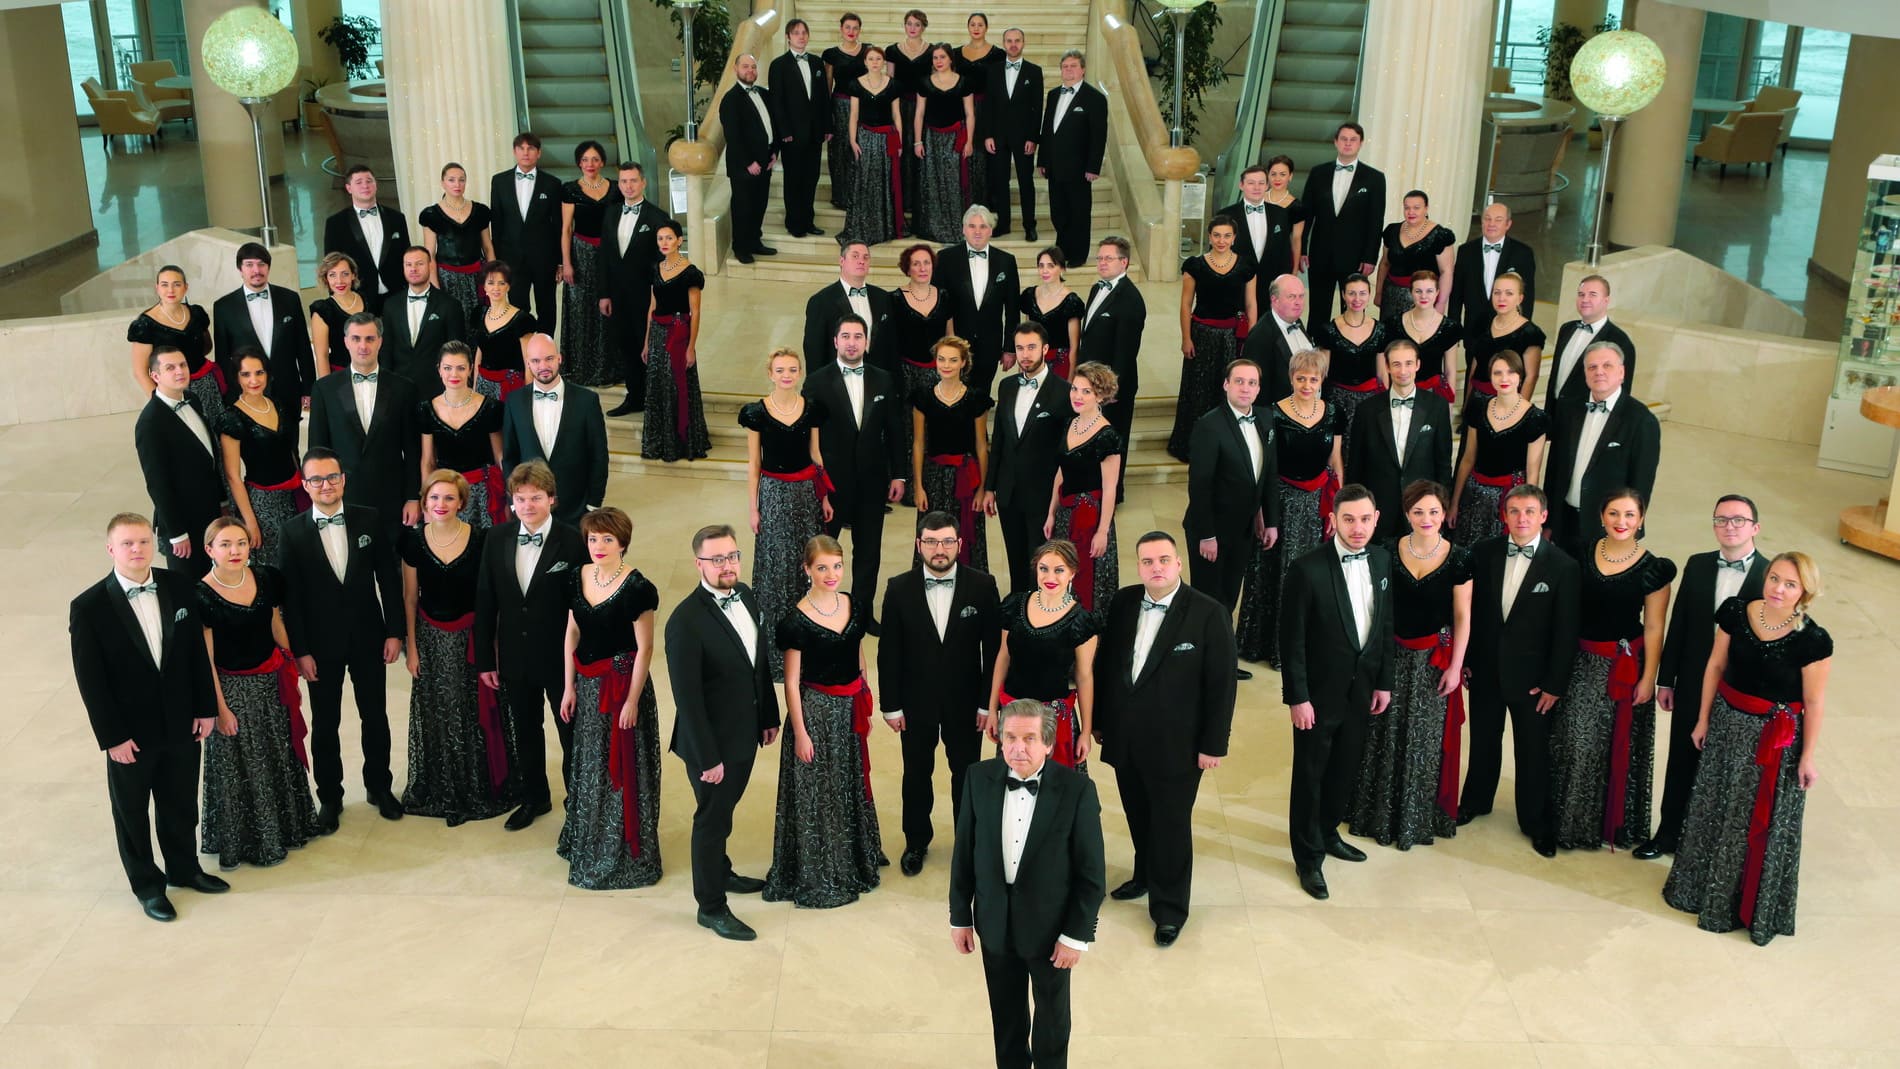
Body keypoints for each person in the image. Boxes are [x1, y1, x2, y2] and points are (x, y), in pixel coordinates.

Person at [1662, 552, 1831, 947]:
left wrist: (1807, 756)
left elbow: (1814, 702)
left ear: (1804, 592)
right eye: (1774, 578)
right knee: (1711, 808)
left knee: (1746, 820)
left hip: (1771, 743)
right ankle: (1696, 890)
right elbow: (1715, 666)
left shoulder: (1813, 641)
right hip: (1725, 727)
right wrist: (1703, 719)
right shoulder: (1736, 612)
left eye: (1790, 584)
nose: (1778, 589)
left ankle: (1736, 905)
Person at [70, 512, 226, 922]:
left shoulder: (178, 586)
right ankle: (148, 887)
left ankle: (185, 869)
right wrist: (112, 737)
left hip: (181, 721)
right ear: (111, 549)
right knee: (132, 812)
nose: (137, 549)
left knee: (180, 801)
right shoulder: (88, 607)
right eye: (127, 543)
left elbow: (195, 653)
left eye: (142, 541)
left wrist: (205, 708)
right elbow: (91, 682)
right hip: (130, 734)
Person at [1094, 532, 1236, 943]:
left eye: (1163, 560)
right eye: (1147, 561)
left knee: (1171, 825)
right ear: (1139, 566)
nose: (1156, 567)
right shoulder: (1123, 602)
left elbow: (1221, 685)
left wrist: (1213, 744)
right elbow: (1107, 665)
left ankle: (1170, 909)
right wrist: (1100, 721)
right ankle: (1144, 874)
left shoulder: (1209, 613)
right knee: (1138, 813)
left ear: (1178, 564)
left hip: (1179, 745)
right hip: (1126, 736)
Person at [950, 698, 1105, 1069]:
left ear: (1048, 744)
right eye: (1010, 738)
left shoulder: (1077, 791)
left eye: (1030, 738)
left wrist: (1075, 936)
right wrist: (960, 917)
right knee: (1006, 1019)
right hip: (994, 924)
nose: (1018, 748)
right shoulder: (977, 778)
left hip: (1051, 932)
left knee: (1052, 1021)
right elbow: (964, 853)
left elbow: (1091, 875)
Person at [666, 524, 782, 941]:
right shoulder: (685, 622)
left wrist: (768, 715)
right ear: (699, 564)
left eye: (732, 556)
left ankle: (722, 870)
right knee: (711, 821)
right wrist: (708, 757)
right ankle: (711, 906)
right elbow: (688, 700)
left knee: (724, 811)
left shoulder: (745, 595)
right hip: (711, 745)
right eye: (717, 559)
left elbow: (758, 664)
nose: (727, 565)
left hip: (744, 732)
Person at [280, 448, 404, 832]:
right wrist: (301, 651)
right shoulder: (292, 532)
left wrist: (395, 631)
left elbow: (389, 579)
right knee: (325, 723)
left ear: (343, 479)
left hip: (369, 636)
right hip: (320, 646)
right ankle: (330, 797)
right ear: (305, 485)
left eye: (332, 477)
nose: (326, 485)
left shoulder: (368, 518)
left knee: (375, 716)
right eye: (316, 479)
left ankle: (379, 787)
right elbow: (291, 600)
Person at [1547, 488, 1676, 852]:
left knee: (1609, 746)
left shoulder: (1653, 569)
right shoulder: (1580, 551)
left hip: (1622, 666)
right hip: (1579, 659)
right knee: (1573, 741)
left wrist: (1648, 678)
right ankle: (1565, 821)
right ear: (1602, 516)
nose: (1622, 522)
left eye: (1630, 515)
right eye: (1614, 513)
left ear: (1641, 519)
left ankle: (1605, 825)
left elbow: (1655, 627)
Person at [1641, 494, 1768, 860]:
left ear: (1755, 528)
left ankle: (1706, 845)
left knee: (1722, 768)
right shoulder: (1697, 565)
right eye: (1721, 519)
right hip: (1693, 681)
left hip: (1738, 689)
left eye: (1739, 520)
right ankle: (1667, 835)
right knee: (1681, 760)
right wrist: (1667, 679)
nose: (1729, 526)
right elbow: (1678, 623)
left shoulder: (1768, 576)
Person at [1281, 485, 1394, 900]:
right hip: (1317, 694)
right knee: (1310, 775)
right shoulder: (1306, 569)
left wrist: (1383, 682)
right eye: (1348, 519)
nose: (1357, 528)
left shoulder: (1381, 559)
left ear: (1376, 519)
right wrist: (1298, 697)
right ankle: (1308, 858)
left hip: (1362, 689)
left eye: (1365, 519)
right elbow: (1291, 639)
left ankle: (1328, 833)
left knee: (1344, 767)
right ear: (1333, 520)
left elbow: (1384, 625)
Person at [764, 535, 886, 906]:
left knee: (848, 782)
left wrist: (864, 696)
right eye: (822, 567)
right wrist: (800, 733)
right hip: (815, 713)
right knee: (820, 792)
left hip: (848, 710)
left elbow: (858, 654)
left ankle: (854, 857)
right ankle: (821, 869)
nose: (831, 574)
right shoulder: (795, 622)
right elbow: (791, 682)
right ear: (807, 570)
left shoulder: (854, 605)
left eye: (836, 566)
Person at [879, 511, 1003, 876]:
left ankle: (968, 844)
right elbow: (889, 653)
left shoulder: (982, 585)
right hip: (914, 702)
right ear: (919, 545)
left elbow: (994, 651)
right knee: (916, 773)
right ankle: (916, 841)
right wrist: (891, 706)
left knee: (966, 774)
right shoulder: (898, 588)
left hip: (967, 703)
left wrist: (988, 704)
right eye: (932, 542)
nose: (939, 549)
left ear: (959, 544)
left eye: (947, 541)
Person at [1459, 484, 1579, 857]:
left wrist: (1554, 684)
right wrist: (1466, 661)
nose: (1521, 518)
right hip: (1486, 670)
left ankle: (1535, 822)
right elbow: (1472, 613)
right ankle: (1475, 801)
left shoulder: (1563, 566)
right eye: (1514, 511)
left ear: (1543, 516)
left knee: (1532, 752)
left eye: (1529, 511)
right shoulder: (1484, 552)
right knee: (1483, 740)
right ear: (1505, 515)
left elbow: (1566, 632)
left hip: (1533, 681)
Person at [1348, 481, 1470, 849]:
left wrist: (1455, 667)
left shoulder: (1460, 558)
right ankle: (1374, 813)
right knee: (1381, 734)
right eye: (1418, 511)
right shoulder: (1386, 550)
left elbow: (1463, 617)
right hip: (1390, 656)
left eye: (1433, 511)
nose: (1426, 518)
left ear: (1444, 513)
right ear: (1406, 514)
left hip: (1433, 663)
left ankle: (1413, 820)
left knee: (1422, 740)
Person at [195, 517, 319, 869]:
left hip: (269, 683)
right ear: (209, 550)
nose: (235, 551)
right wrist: (220, 709)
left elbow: (275, 622)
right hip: (232, 689)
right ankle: (249, 840)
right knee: (243, 763)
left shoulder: (265, 577)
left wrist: (293, 661)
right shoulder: (201, 595)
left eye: (241, 543)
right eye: (225, 544)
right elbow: (206, 660)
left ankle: (287, 828)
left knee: (276, 752)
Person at [474, 460, 588, 830]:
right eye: (520, 499)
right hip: (513, 656)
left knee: (570, 732)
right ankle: (534, 798)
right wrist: (485, 660)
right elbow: (485, 601)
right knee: (525, 730)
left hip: (561, 659)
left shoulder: (574, 541)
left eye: (535, 498)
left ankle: (578, 804)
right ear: (511, 501)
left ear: (552, 499)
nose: (527, 506)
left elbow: (584, 605)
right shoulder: (496, 538)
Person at [558, 507, 665, 890]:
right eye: (592, 539)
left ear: (622, 543)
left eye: (607, 539)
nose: (598, 546)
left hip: (622, 689)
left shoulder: (638, 588)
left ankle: (622, 848)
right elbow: (572, 633)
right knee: (591, 763)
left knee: (622, 767)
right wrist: (569, 686)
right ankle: (589, 837)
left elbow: (645, 648)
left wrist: (633, 700)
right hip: (588, 688)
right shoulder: (577, 576)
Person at [398, 471, 511, 826]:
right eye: (434, 497)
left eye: (449, 498)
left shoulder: (482, 539)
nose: (441, 504)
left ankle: (474, 786)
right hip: (430, 639)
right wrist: (411, 648)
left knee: (470, 711)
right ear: (424, 502)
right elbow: (409, 598)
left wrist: (491, 648)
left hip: (471, 638)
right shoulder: (412, 542)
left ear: (462, 502)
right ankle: (442, 786)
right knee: (438, 710)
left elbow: (490, 600)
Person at [1235, 349, 1343, 670]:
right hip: (1280, 501)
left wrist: (1338, 507)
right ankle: (1265, 644)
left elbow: (1336, 461)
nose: (1307, 385)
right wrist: (1261, 513)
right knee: (1275, 572)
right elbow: (1263, 468)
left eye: (1313, 379)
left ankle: (1301, 646)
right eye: (1301, 378)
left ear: (1322, 380)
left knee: (1310, 574)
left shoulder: (1334, 412)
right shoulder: (1272, 414)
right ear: (1291, 378)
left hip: (1316, 503)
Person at [741, 349, 834, 681]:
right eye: (780, 370)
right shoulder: (756, 413)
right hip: (773, 495)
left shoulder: (811, 409)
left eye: (792, 369)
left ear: (800, 373)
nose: (786, 375)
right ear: (770, 373)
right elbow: (754, 463)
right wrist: (754, 507)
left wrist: (824, 497)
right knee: (777, 566)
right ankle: (775, 650)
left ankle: (808, 641)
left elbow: (816, 454)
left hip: (806, 493)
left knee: (805, 562)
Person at [807, 313, 907, 614]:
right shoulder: (816, 381)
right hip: (832, 482)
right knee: (823, 550)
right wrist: (816, 483)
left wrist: (899, 474)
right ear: (835, 341)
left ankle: (862, 612)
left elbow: (895, 430)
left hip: (872, 480)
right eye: (846, 336)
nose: (852, 343)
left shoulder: (884, 379)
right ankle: (821, 609)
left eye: (858, 337)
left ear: (867, 342)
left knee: (868, 551)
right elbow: (809, 439)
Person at [1184, 358, 1281, 632]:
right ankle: (1204, 653)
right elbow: (1199, 486)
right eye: (1239, 381)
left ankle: (1222, 652)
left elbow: (1268, 474)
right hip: (1212, 529)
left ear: (1259, 389)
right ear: (1226, 384)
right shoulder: (1209, 425)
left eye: (1252, 383)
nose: (1245, 388)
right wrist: (1207, 535)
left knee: (1228, 598)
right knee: (1208, 600)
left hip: (1244, 529)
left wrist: (1270, 521)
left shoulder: (1265, 419)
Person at [988, 539, 1099, 776]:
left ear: (1072, 573)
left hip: (1054, 723)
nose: (1050, 577)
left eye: (1059, 570)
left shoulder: (1082, 621)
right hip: (1013, 715)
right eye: (1044, 569)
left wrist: (1086, 731)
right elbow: (1003, 657)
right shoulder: (1015, 605)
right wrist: (991, 710)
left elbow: (1084, 677)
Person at [307, 313, 422, 536]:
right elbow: (317, 450)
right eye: (356, 338)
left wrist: (412, 497)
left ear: (380, 341)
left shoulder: (404, 388)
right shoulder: (324, 389)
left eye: (370, 339)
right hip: (343, 497)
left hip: (391, 498)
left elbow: (412, 449)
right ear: (346, 342)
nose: (363, 346)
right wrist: (321, 498)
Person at [1543, 341, 1661, 557]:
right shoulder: (1568, 408)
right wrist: (1548, 520)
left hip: (1607, 527)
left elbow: (1641, 486)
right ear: (1585, 374)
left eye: (1607, 365)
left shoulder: (1642, 421)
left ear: (1622, 372)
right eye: (1592, 367)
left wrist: (1628, 531)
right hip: (1564, 522)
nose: (1599, 372)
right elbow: (1554, 468)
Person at [984, 324, 1070, 592]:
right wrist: (990, 487)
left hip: (1042, 494)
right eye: (1020, 348)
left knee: (1041, 562)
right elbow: (999, 440)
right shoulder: (1006, 386)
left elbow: (1066, 452)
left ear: (1045, 349)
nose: (1025, 354)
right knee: (1015, 558)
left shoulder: (1063, 391)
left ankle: (1039, 609)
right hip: (1008, 491)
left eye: (1032, 347)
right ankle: (1018, 608)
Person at [1168, 216, 1257, 460]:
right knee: (1198, 391)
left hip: (1232, 337)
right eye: (1217, 235)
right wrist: (1186, 338)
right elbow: (1186, 305)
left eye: (1227, 236)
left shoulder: (1246, 266)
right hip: (1201, 335)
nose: (1221, 240)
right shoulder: (1195, 265)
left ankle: (1224, 448)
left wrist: (1251, 339)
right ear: (1209, 237)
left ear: (1234, 238)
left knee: (1227, 390)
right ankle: (1192, 446)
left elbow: (1251, 304)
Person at [1346, 338, 1453, 540]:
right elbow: (1355, 466)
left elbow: (1443, 463)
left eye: (1408, 363)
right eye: (1396, 364)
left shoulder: (1437, 406)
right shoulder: (1366, 410)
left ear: (1418, 365)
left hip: (1422, 509)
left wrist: (1443, 506)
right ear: (1387, 366)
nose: (1403, 371)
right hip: (1379, 509)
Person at [135, 346, 225, 579]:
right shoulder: (150, 422)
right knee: (188, 583)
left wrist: (222, 499)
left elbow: (209, 457)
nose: (179, 371)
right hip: (184, 521)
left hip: (210, 511)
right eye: (170, 367)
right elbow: (157, 484)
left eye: (182, 365)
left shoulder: (192, 399)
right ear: (155, 376)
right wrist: (177, 533)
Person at [501, 334, 609, 524]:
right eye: (536, 361)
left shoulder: (587, 400)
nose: (543, 366)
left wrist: (593, 504)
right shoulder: (514, 401)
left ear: (559, 358)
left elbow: (599, 456)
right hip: (529, 509)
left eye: (549, 358)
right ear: (528, 363)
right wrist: (514, 503)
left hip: (576, 509)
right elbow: (510, 456)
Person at [1044, 362, 1121, 612]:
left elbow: (1110, 488)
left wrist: (1102, 532)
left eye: (1086, 391)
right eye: (1075, 389)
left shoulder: (1108, 436)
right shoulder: (1070, 423)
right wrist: (1051, 513)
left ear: (1100, 395)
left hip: (1090, 518)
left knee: (1089, 580)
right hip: (1065, 514)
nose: (1077, 396)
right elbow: (1061, 472)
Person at [1449, 350, 1547, 547]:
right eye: (1497, 373)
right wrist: (1454, 502)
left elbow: (1533, 473)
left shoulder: (1536, 419)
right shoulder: (1478, 407)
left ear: (1520, 376)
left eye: (1511, 372)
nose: (1504, 379)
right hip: (1474, 494)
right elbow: (1468, 458)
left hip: (1510, 497)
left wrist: (1529, 513)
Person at [218, 349, 304, 567]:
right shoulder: (231, 418)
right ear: (236, 378)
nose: (254, 380)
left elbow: (290, 452)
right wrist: (250, 521)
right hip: (262, 504)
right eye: (246, 374)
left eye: (259, 373)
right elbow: (232, 476)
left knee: (301, 561)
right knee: (275, 564)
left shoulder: (277, 404)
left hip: (294, 496)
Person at [913, 336, 993, 568]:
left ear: (963, 362)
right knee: (932, 534)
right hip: (933, 477)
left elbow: (981, 446)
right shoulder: (923, 397)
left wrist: (982, 488)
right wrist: (917, 487)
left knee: (966, 537)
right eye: (941, 359)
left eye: (953, 360)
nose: (946, 365)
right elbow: (918, 443)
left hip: (966, 479)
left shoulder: (976, 398)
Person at [599, 160, 671, 414]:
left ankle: (655, 399)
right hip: (618, 295)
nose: (628, 186)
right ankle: (635, 397)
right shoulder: (611, 213)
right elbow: (605, 256)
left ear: (643, 183)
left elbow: (663, 261)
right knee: (626, 345)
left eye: (633, 181)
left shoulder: (657, 217)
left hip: (646, 295)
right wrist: (604, 294)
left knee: (648, 346)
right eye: (624, 181)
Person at [1300, 122, 1386, 323]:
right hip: (1320, 253)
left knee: (1353, 310)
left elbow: (1376, 221)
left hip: (1354, 256)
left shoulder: (1374, 178)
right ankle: (1316, 343)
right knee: (1318, 310)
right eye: (1344, 139)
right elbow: (1307, 214)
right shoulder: (1318, 173)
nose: (1348, 143)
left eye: (1353, 139)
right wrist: (1302, 248)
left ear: (1361, 143)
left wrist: (1370, 257)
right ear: (1336, 142)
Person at [641, 221, 712, 461]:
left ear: (679, 241)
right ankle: (661, 441)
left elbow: (696, 312)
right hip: (657, 332)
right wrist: (646, 342)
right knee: (657, 384)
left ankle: (682, 441)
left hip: (679, 333)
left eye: (669, 238)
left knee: (676, 385)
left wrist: (691, 347)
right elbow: (652, 306)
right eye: (660, 238)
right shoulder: (655, 268)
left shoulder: (690, 273)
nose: (664, 243)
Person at [211, 242, 313, 407]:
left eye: (261, 264)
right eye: (249, 265)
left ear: (268, 267)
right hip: (248, 394)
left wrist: (309, 388)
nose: (256, 270)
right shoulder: (223, 307)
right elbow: (223, 358)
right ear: (240, 269)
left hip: (289, 390)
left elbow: (303, 348)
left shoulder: (290, 299)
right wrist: (231, 396)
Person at [418, 342, 506, 528]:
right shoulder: (426, 409)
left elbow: (500, 457)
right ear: (439, 370)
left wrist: (509, 497)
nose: (454, 374)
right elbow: (428, 461)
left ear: (470, 369)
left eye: (460, 368)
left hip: (482, 495)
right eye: (447, 368)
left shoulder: (491, 407)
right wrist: (427, 507)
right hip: (444, 496)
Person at [1078, 236, 1145, 474]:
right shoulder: (1097, 288)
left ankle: (1114, 489)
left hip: (1112, 389)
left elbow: (1126, 352)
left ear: (1124, 262)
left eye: (1108, 258)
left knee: (1113, 443)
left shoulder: (1131, 299)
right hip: (1091, 383)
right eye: (1100, 258)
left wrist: (1111, 389)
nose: (1102, 262)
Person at [939, 205, 1022, 396]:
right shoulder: (946, 258)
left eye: (983, 226)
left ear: (991, 230)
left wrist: (1010, 348)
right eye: (972, 226)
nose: (977, 232)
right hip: (956, 343)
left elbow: (1012, 309)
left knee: (982, 394)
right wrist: (944, 343)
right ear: (963, 229)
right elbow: (940, 305)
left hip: (990, 344)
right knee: (955, 395)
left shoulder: (1006, 261)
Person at [556, 141, 620, 387]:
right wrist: (566, 263)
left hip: (609, 253)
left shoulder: (615, 188)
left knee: (608, 309)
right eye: (585, 159)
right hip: (580, 254)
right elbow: (566, 229)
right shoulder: (570, 189)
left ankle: (607, 368)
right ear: (579, 163)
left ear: (602, 162)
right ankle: (581, 368)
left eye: (595, 159)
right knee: (580, 310)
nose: (590, 164)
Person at [1037, 50, 1107, 271]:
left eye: (1073, 66)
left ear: (1083, 69)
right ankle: (1062, 250)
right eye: (1065, 66)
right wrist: (1042, 160)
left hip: (1079, 168)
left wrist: (1093, 167)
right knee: (1058, 211)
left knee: (1079, 212)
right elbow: (1047, 129)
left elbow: (1098, 136)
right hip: (1055, 165)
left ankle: (1078, 254)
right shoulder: (1053, 94)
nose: (1068, 70)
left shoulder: (1095, 98)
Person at [489, 132, 565, 332]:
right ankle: (522, 349)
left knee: (547, 308)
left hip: (544, 258)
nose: (526, 153)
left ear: (538, 153)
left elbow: (558, 225)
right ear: (514, 152)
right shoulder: (499, 181)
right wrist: (497, 261)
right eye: (521, 148)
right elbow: (497, 223)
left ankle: (546, 348)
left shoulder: (552, 184)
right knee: (517, 309)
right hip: (512, 258)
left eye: (531, 148)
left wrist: (560, 261)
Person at [128, 264, 218, 423]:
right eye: (164, 285)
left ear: (185, 287)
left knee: (214, 429)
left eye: (177, 284)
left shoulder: (197, 313)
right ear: (157, 288)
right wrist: (161, 403)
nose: (170, 290)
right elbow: (140, 372)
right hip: (171, 390)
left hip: (205, 385)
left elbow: (206, 347)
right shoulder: (144, 325)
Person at [891, 243, 957, 461]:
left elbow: (950, 338)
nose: (922, 268)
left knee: (938, 429)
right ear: (907, 268)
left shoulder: (944, 295)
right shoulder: (894, 298)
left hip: (940, 374)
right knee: (910, 430)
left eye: (926, 263)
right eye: (916, 264)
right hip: (907, 376)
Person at [380, 246, 469, 397]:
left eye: (419, 264)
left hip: (437, 387)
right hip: (399, 385)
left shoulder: (450, 305)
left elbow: (456, 350)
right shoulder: (391, 305)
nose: (413, 269)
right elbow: (386, 348)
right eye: (408, 264)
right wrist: (386, 384)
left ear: (430, 265)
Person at [418, 162, 495, 328]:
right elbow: (429, 255)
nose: (457, 184)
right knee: (454, 323)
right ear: (442, 183)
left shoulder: (480, 211)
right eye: (451, 180)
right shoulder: (431, 214)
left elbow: (488, 248)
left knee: (481, 323)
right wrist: (435, 288)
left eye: (461, 180)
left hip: (477, 277)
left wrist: (494, 277)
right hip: (447, 280)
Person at [772, 20, 830, 238]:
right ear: (788, 37)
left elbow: (823, 97)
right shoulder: (779, 65)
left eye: (804, 32)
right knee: (793, 180)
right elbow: (777, 102)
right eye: (796, 33)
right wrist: (784, 131)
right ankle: (794, 223)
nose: (801, 36)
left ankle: (808, 221)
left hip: (815, 133)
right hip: (792, 135)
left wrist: (827, 126)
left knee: (811, 179)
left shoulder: (816, 62)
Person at [982, 27, 1042, 239]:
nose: (1013, 44)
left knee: (1026, 181)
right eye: (1009, 41)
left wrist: (1033, 137)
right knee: (1000, 181)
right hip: (998, 136)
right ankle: (1004, 224)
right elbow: (988, 105)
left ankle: (1029, 225)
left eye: (1017, 40)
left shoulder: (1034, 71)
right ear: (1004, 43)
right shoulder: (993, 70)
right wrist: (987, 135)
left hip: (1023, 137)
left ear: (1023, 43)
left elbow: (1037, 108)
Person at [803, 239, 897, 374]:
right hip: (837, 380)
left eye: (865, 257)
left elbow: (892, 346)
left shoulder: (883, 297)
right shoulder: (820, 301)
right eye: (855, 256)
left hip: (877, 380)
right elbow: (814, 353)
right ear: (842, 261)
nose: (861, 261)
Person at [913, 43, 976, 243]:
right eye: (935, 58)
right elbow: (919, 113)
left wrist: (969, 141)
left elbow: (970, 114)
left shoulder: (964, 82)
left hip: (955, 137)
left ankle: (955, 226)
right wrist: (917, 142)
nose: (938, 61)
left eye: (942, 57)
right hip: (931, 138)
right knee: (932, 181)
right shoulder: (924, 82)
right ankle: (934, 227)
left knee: (953, 182)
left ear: (950, 59)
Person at [843, 44, 905, 246]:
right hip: (864, 137)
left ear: (884, 62)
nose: (875, 62)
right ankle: (865, 225)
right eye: (871, 59)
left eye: (878, 59)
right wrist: (853, 140)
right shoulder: (856, 84)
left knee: (884, 181)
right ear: (865, 62)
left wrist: (900, 141)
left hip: (886, 138)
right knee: (865, 181)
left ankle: (884, 227)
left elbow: (896, 114)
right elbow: (853, 115)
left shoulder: (893, 84)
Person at [1545, 274, 1637, 410]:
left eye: (1592, 294)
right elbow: (1555, 376)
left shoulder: (1620, 341)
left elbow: (1621, 392)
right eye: (1581, 294)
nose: (1585, 299)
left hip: (1585, 415)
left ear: (1606, 300)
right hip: (1554, 412)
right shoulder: (1567, 329)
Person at [720, 53, 779, 264]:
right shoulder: (730, 99)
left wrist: (774, 152)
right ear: (735, 69)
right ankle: (741, 247)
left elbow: (773, 125)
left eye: (753, 67)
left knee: (759, 204)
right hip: (743, 165)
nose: (750, 71)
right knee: (743, 207)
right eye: (745, 66)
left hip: (766, 160)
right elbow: (733, 136)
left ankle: (755, 241)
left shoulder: (764, 93)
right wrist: (748, 162)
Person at [1314, 272, 1388, 437]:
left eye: (1362, 293)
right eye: (1352, 293)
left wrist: (1387, 403)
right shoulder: (1329, 330)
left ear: (1369, 295)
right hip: (1337, 399)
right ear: (1343, 294)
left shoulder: (1380, 330)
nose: (1357, 299)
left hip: (1369, 400)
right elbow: (1322, 372)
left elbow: (1382, 373)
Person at [323, 164, 408, 303]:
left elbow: (407, 255)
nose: (365, 186)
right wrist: (338, 302)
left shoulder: (397, 218)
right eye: (359, 182)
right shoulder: (336, 223)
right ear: (349, 188)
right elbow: (331, 265)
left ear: (376, 185)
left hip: (397, 293)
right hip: (358, 295)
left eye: (369, 181)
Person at [1449, 202, 1535, 334]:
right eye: (1487, 219)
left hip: (1508, 329)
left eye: (1498, 220)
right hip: (1473, 329)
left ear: (1508, 224)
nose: (1491, 224)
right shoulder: (1466, 251)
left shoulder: (1523, 253)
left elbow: (1527, 296)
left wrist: (1522, 330)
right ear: (1482, 221)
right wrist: (1453, 330)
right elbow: (1456, 295)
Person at [1462, 270, 1542, 404]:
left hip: (1507, 401)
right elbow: (1474, 366)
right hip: (1477, 398)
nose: (1501, 298)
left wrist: (1518, 411)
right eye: (1497, 293)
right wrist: (1467, 403)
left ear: (1520, 298)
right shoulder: (1483, 323)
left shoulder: (1530, 333)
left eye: (1509, 293)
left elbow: (1531, 377)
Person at [1372, 189, 1454, 316]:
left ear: (1426, 208)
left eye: (1416, 208)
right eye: (1407, 208)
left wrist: (1441, 303)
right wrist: (1378, 292)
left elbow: (1446, 272)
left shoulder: (1441, 235)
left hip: (1423, 298)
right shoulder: (1392, 230)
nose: (1411, 212)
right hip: (1391, 295)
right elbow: (1385, 263)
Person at [955, 12, 1005, 212]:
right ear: (968, 27)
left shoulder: (998, 54)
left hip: (987, 110)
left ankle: (986, 205)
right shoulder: (956, 53)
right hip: (962, 110)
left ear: (986, 28)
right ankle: (964, 203)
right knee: (965, 154)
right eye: (972, 24)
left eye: (980, 24)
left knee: (985, 157)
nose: (976, 28)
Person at [1386, 270, 1460, 404]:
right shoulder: (1393, 324)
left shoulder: (1450, 328)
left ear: (1437, 292)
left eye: (1429, 291)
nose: (1423, 296)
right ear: (1411, 292)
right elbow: (1387, 367)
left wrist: (1449, 405)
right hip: (1401, 392)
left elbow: (1450, 371)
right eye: (1418, 291)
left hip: (1434, 396)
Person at [1241, 272, 1314, 402]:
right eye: (1291, 297)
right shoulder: (1260, 337)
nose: (1298, 302)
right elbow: (1258, 391)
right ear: (1274, 300)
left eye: (1301, 296)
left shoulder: (1295, 320)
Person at [888, 11, 933, 222]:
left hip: (924, 107)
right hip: (900, 107)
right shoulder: (892, 50)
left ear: (923, 26)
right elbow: (889, 81)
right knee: (902, 151)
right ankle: (902, 199)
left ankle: (919, 200)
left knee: (920, 151)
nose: (912, 28)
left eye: (917, 24)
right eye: (909, 24)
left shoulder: (932, 51)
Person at [472, 260, 538, 402]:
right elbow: (479, 353)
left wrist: (527, 398)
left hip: (511, 387)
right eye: (491, 283)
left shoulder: (522, 320)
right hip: (483, 384)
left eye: (501, 283)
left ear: (508, 286)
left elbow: (529, 363)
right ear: (484, 287)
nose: (496, 288)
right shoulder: (479, 313)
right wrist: (475, 387)